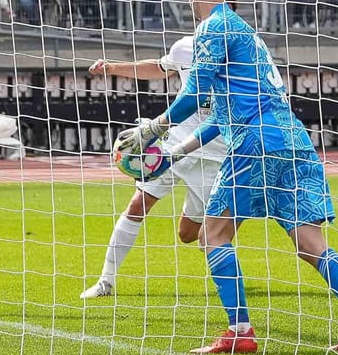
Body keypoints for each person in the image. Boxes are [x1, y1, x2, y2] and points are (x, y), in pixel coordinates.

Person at [118, 0, 338, 355]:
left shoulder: (212, 28)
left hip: (255, 141)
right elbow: (221, 116)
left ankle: (240, 331)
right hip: (291, 138)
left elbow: (193, 96)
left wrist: (153, 128)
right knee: (308, 242)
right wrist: (175, 152)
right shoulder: (247, 32)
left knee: (213, 235)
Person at [81, 37, 230, 300]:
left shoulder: (241, 49)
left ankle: (218, 233)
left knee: (188, 234)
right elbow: (160, 68)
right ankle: (105, 281)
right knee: (138, 204)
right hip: (177, 140)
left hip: (215, 152)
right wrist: (113, 68)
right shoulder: (185, 46)